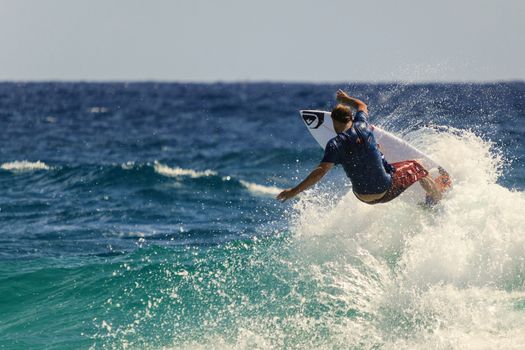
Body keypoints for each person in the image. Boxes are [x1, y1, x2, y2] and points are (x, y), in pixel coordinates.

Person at [277, 89, 449, 204]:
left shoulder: (334, 144)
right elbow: (362, 106)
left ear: (333, 122)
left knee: (366, 155)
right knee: (417, 166)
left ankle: (378, 153)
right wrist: (345, 99)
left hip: (362, 196)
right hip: (385, 190)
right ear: (351, 119)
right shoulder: (363, 126)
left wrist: (294, 191)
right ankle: (435, 200)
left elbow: (320, 172)